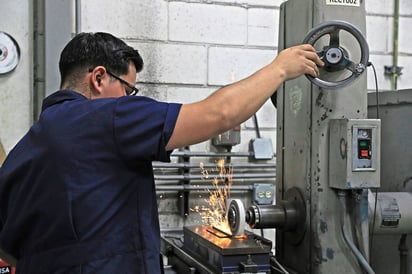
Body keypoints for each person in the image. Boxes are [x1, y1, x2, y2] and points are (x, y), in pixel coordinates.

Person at [0, 32, 323, 274]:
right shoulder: (107, 117)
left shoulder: (29, 145)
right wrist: (281, 68)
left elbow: (9, 250)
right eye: (127, 90)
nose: (127, 98)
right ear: (99, 77)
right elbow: (219, 115)